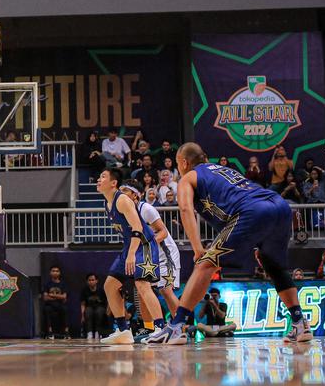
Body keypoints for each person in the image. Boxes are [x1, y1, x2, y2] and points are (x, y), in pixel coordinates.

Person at [156, 142, 311, 344]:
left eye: (178, 164)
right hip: (279, 206)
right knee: (272, 265)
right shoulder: (223, 170)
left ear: (184, 163)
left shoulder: (188, 177)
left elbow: (185, 209)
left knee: (205, 264)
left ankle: (176, 327)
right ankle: (300, 323)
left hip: (252, 211)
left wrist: (197, 249)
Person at [95, 169, 166, 344]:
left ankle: (161, 328)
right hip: (130, 246)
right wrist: (129, 251)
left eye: (103, 176)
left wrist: (132, 254)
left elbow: (137, 227)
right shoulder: (107, 203)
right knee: (110, 286)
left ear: (113, 183)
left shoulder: (122, 200)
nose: (98, 179)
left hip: (144, 244)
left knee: (142, 284)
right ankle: (123, 331)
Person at [134, 190, 182, 321]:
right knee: (142, 290)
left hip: (165, 253)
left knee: (165, 290)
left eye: (125, 191)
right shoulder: (124, 212)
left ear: (135, 195)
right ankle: (150, 329)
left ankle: (180, 326)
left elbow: (163, 232)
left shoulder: (146, 209)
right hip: (148, 254)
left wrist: (146, 245)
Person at [40, 266, 68, 339]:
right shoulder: (47, 284)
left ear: (59, 273)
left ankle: (66, 332)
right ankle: (50, 332)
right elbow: (45, 298)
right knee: (47, 309)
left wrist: (51, 295)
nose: (55, 272)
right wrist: (59, 297)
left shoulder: (63, 284)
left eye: (57, 271)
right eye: (53, 271)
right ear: (50, 273)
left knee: (65, 309)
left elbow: (64, 297)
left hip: (60, 305)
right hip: (50, 305)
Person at [79, 273, 109, 340]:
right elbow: (83, 304)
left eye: (93, 280)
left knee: (99, 312)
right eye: (89, 280)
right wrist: (82, 315)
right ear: (87, 281)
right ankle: (89, 333)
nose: (91, 282)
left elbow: (107, 302)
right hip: (89, 308)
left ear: (96, 281)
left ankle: (98, 332)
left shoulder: (101, 290)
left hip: (100, 308)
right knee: (88, 311)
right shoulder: (84, 290)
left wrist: (107, 311)